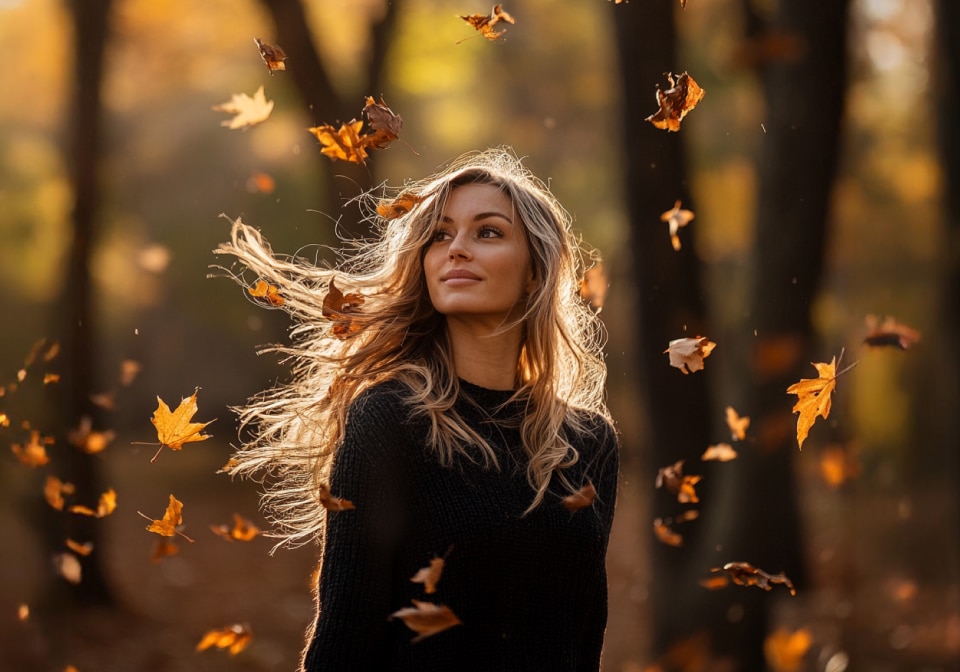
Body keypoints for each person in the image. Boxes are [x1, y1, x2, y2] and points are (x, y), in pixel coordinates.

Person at [214, 147, 619, 671]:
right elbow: (344, 637)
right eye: (440, 235)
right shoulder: (390, 419)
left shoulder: (587, 441)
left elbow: (584, 637)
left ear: (536, 274)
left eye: (488, 232)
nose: (457, 250)